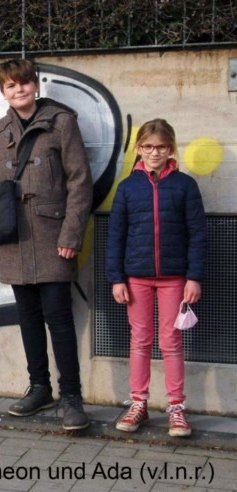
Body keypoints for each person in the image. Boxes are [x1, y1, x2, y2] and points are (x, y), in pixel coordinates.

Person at [0, 59, 93, 430]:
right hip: (12, 238)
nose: (19, 91)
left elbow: (79, 182)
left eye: (24, 83)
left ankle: (72, 397)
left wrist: (71, 236)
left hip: (52, 237)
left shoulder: (62, 123)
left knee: (59, 320)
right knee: (28, 319)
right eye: (11, 86)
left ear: (35, 85)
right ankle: (39, 388)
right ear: (3, 92)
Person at [106, 119, 206, 437]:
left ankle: (176, 407)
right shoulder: (127, 188)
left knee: (171, 342)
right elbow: (115, 236)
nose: (154, 152)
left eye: (161, 146)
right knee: (140, 340)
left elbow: (198, 235)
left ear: (171, 148)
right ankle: (139, 403)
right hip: (136, 278)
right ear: (138, 149)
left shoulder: (186, 186)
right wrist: (116, 278)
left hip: (175, 279)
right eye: (148, 146)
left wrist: (194, 277)